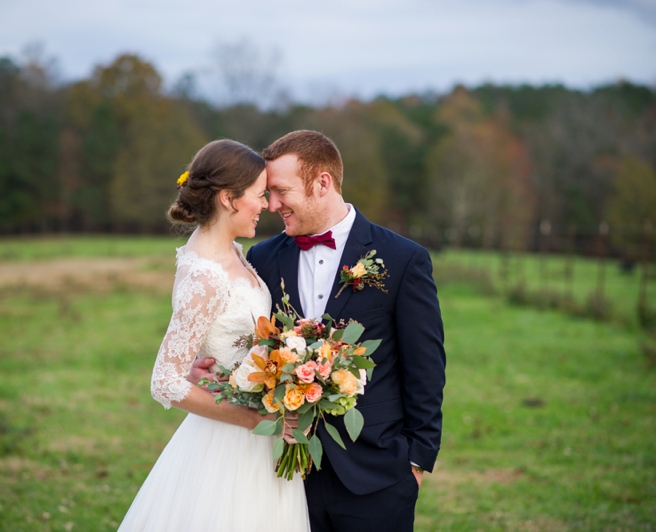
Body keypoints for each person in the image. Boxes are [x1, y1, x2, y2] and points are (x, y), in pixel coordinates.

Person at [192, 130, 445, 531]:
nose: (272, 205)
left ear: (322, 183)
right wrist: (204, 368)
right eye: (267, 194)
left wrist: (416, 462)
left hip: (376, 474)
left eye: (280, 191)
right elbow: (249, 342)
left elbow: (426, 367)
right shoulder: (263, 257)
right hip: (285, 475)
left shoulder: (402, 259)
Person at [118, 139, 310, 531]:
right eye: (259, 195)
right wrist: (255, 419)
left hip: (257, 430)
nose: (268, 205)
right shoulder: (206, 275)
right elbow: (164, 381)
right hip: (230, 442)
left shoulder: (233, 252)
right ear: (228, 198)